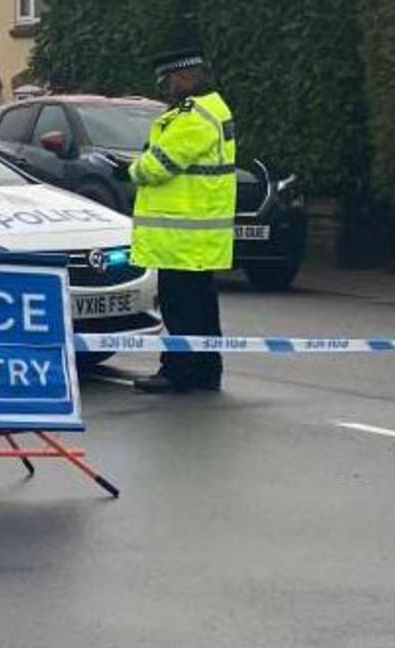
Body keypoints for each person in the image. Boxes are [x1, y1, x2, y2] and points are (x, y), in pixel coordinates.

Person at [127, 48, 236, 393]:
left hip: (182, 234)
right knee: (202, 306)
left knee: (180, 308)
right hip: (197, 232)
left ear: (183, 77)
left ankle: (178, 371)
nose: (166, 88)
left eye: (167, 81)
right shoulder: (213, 109)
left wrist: (132, 168)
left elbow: (156, 166)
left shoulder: (193, 117)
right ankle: (206, 370)